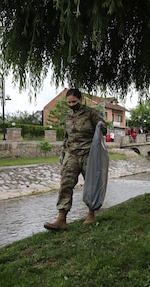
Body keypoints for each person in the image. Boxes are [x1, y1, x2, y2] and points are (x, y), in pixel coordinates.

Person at [44, 88, 107, 231]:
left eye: (74, 101)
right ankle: (61, 219)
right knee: (65, 184)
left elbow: (103, 130)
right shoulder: (67, 117)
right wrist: (63, 153)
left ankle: (91, 214)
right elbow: (66, 137)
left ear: (80, 99)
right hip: (71, 155)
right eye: (69, 102)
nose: (72, 104)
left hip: (89, 154)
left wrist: (101, 125)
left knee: (91, 184)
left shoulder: (91, 113)